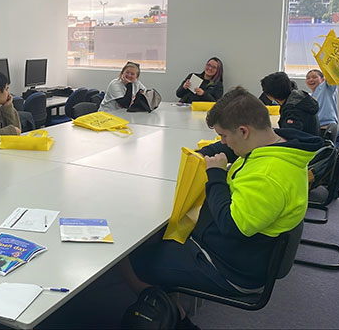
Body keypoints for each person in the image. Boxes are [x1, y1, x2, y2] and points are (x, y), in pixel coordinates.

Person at [123, 86, 323, 328]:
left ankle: (170, 318)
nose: (222, 142)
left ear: (243, 131)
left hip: (234, 268)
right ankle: (174, 303)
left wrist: (216, 175)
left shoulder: (268, 176)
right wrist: (206, 154)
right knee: (163, 234)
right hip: (240, 251)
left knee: (131, 256)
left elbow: (231, 226)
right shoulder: (276, 145)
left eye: (223, 135)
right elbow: (233, 151)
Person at [261, 71, 320, 136]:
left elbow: (290, 137)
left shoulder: (292, 110)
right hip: (312, 141)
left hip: (303, 145)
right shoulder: (299, 99)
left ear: (270, 94)